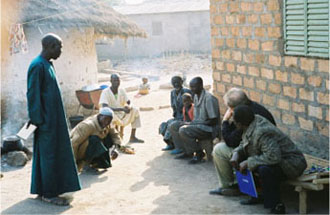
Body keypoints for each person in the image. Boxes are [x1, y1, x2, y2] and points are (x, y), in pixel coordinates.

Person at [26, 33, 81, 206]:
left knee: (51, 155)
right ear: (50, 46)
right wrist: (37, 120)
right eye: (59, 47)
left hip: (53, 120)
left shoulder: (48, 65)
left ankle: (43, 190)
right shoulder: (37, 66)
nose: (61, 51)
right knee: (49, 156)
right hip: (45, 122)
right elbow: (32, 95)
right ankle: (49, 194)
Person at [230, 105, 307, 214]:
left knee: (264, 169)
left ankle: (276, 205)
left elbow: (274, 157)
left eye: (235, 122)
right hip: (278, 159)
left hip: (292, 164)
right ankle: (257, 195)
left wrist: (248, 162)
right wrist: (236, 153)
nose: (233, 123)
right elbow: (246, 142)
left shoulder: (262, 132)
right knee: (248, 160)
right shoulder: (251, 122)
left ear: (240, 123)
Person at [210, 88, 276, 197]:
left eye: (229, 108)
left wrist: (225, 121)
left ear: (233, 108)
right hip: (259, 148)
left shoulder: (245, 115)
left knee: (219, 150)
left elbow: (230, 141)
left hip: (260, 153)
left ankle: (230, 186)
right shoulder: (253, 108)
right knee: (230, 149)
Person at [169, 77, 220, 164]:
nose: (192, 89)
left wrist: (194, 124)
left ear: (201, 86)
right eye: (191, 87)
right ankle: (187, 151)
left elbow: (213, 120)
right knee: (174, 125)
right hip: (198, 125)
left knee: (183, 130)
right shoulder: (196, 96)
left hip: (209, 128)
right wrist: (189, 123)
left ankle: (199, 153)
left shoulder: (209, 98)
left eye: (194, 87)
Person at [70, 107, 134, 172]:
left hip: (92, 146)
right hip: (80, 151)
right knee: (94, 139)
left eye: (109, 120)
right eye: (105, 119)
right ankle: (85, 164)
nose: (107, 122)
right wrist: (73, 163)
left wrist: (116, 148)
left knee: (109, 138)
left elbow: (115, 135)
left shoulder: (108, 123)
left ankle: (95, 162)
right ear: (100, 116)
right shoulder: (88, 125)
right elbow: (73, 144)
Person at [99, 74, 144, 143]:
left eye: (118, 80)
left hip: (122, 114)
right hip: (112, 114)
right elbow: (105, 107)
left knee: (135, 110)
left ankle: (132, 137)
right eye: (114, 80)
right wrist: (122, 109)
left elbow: (129, 102)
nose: (117, 82)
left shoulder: (121, 90)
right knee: (109, 115)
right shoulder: (105, 92)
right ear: (111, 81)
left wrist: (129, 106)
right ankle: (114, 139)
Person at [159, 76, 191, 153]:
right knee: (163, 125)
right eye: (174, 83)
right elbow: (173, 106)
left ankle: (179, 147)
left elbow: (190, 107)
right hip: (177, 116)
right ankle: (171, 144)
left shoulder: (187, 92)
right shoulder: (172, 93)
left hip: (186, 117)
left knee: (172, 125)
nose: (176, 84)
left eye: (178, 82)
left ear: (182, 82)